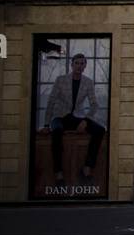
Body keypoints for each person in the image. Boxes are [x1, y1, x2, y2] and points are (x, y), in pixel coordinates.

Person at [42, 53, 105, 184]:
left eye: (82, 63)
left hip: (77, 118)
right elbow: (51, 102)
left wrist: (85, 120)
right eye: (77, 63)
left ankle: (87, 168)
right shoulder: (61, 80)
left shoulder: (88, 82)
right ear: (72, 65)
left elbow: (94, 105)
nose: (79, 66)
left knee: (99, 130)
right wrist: (47, 125)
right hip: (59, 117)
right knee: (57, 132)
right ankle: (58, 172)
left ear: (85, 66)